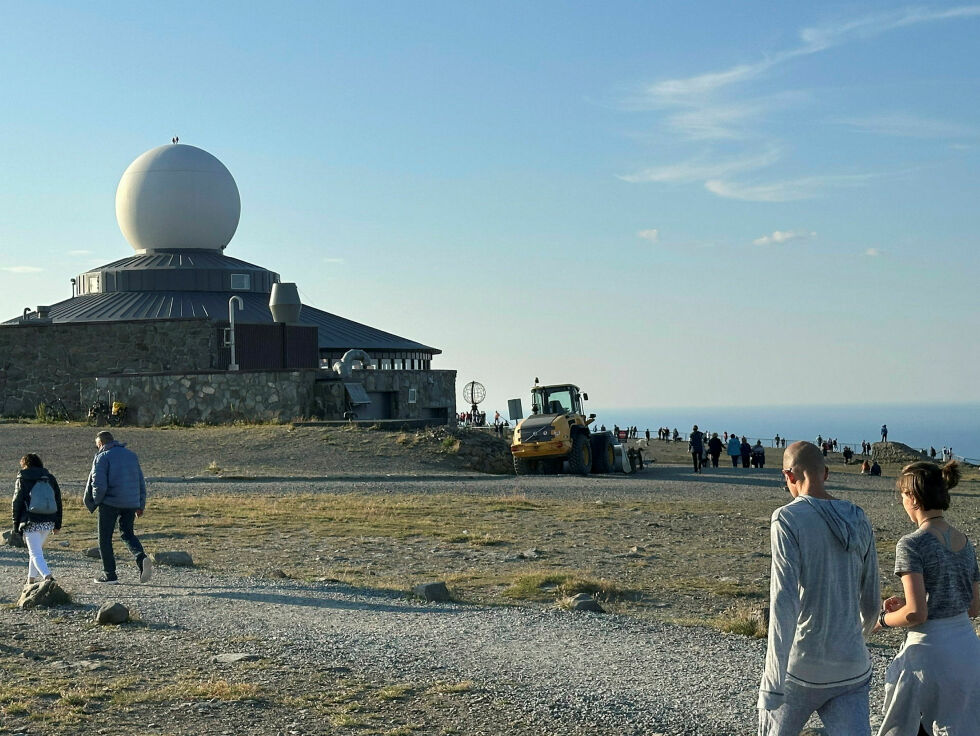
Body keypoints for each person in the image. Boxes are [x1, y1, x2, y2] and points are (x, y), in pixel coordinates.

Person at [758, 442, 879, 735]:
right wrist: (855, 633)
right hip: (852, 666)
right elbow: (872, 599)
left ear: (788, 475)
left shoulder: (787, 518)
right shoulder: (857, 516)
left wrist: (772, 684)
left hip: (803, 667)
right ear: (825, 473)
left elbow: (784, 602)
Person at [875, 461, 980, 735]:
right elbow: (975, 606)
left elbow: (916, 613)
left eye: (902, 496)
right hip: (968, 652)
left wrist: (882, 620)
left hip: (929, 655)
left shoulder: (911, 543)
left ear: (912, 497)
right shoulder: (965, 542)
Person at [83, 431, 153, 584]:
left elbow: (99, 484)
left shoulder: (102, 457)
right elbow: (140, 481)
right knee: (127, 534)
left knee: (104, 539)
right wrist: (140, 504)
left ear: (100, 443)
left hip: (110, 503)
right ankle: (141, 557)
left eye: (97, 446)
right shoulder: (131, 455)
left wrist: (96, 501)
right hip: (130, 502)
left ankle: (110, 574)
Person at [11, 453, 62, 584]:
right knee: (35, 552)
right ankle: (30, 581)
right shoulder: (50, 478)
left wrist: (15, 524)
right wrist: (57, 524)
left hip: (30, 521)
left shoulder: (23, 478)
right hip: (48, 520)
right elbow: (58, 501)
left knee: (35, 553)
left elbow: (17, 502)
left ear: (25, 464)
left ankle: (48, 576)